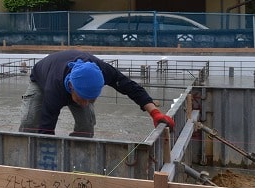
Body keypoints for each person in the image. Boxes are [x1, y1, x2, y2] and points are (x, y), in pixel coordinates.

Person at [19, 49, 174, 137]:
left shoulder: (102, 71)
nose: (86, 104)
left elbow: (131, 87)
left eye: (91, 100)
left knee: (86, 126)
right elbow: (46, 128)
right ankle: (22, 151)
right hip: (40, 80)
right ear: (72, 87)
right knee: (30, 121)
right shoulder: (54, 89)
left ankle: (78, 155)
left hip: (71, 84)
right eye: (83, 99)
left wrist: (154, 112)